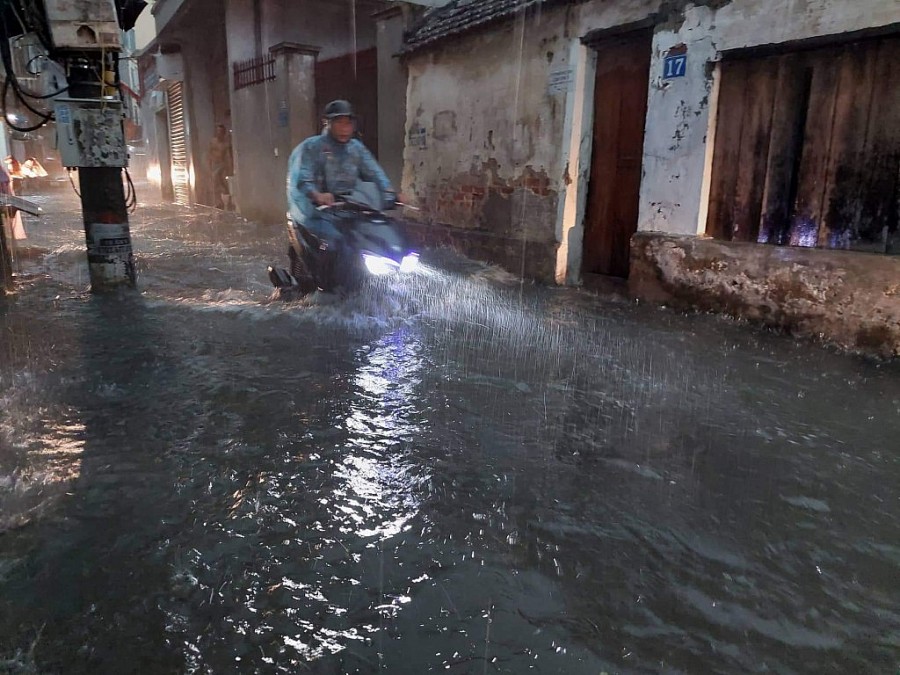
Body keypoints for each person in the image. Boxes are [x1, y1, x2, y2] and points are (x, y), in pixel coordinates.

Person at [286, 100, 398, 248]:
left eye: (348, 123)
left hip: (346, 208)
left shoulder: (356, 148)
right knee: (337, 242)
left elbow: (375, 173)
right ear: (327, 122)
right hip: (314, 211)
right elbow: (303, 178)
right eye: (339, 122)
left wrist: (390, 193)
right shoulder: (312, 147)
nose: (344, 128)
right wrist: (317, 195)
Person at [208, 124, 233, 209]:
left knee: (224, 183)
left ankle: (227, 201)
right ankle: (219, 202)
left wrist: (230, 168)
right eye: (218, 131)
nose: (219, 133)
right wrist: (209, 164)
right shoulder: (213, 141)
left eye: (221, 132)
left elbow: (228, 156)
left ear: (223, 133)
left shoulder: (225, 144)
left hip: (222, 165)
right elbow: (209, 153)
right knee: (215, 184)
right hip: (215, 165)